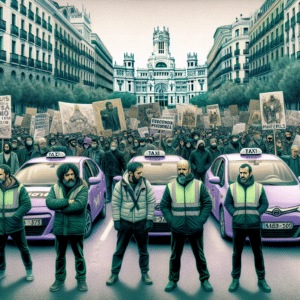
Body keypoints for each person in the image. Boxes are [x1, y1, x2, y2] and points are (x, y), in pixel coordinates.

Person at [160, 160, 213, 293]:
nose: (181, 171)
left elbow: (207, 203)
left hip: (195, 228)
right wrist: (171, 221)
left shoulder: (198, 185)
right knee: (175, 256)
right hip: (177, 228)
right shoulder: (171, 187)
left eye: (184, 169)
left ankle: (204, 279)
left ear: (189, 170)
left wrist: (200, 220)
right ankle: (172, 279)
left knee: (199, 255)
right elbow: (164, 205)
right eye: (179, 169)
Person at [106, 162, 156, 286]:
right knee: (119, 250)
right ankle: (114, 273)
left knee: (143, 250)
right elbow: (115, 203)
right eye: (138, 173)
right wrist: (117, 221)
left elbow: (151, 201)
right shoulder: (120, 185)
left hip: (141, 223)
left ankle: (145, 272)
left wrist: (149, 219)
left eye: (141, 172)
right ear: (130, 174)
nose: (141, 175)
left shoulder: (146, 184)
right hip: (125, 223)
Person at [224, 163, 271, 293]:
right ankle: (235, 279)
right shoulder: (232, 187)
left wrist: (257, 213)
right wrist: (234, 213)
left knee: (258, 253)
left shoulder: (259, 187)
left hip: (254, 225)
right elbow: (228, 203)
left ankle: (261, 279)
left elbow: (265, 203)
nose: (242, 175)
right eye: (240, 173)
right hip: (238, 225)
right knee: (236, 253)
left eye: (245, 173)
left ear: (250, 173)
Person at [46, 163, 89, 292]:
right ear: (62, 176)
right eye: (67, 175)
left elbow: (79, 205)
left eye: (72, 174)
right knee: (60, 256)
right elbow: (49, 202)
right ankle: (59, 279)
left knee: (79, 255)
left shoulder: (82, 188)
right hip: (60, 228)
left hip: (76, 228)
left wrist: (59, 208)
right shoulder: (55, 188)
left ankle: (81, 279)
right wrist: (66, 202)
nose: (70, 177)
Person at [0, 164, 33, 281]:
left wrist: (15, 217)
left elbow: (27, 204)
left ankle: (29, 270)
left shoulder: (19, 188)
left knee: (24, 249)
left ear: (7, 175)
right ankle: (1, 270)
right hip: (0, 226)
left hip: (15, 226)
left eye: (0, 174)